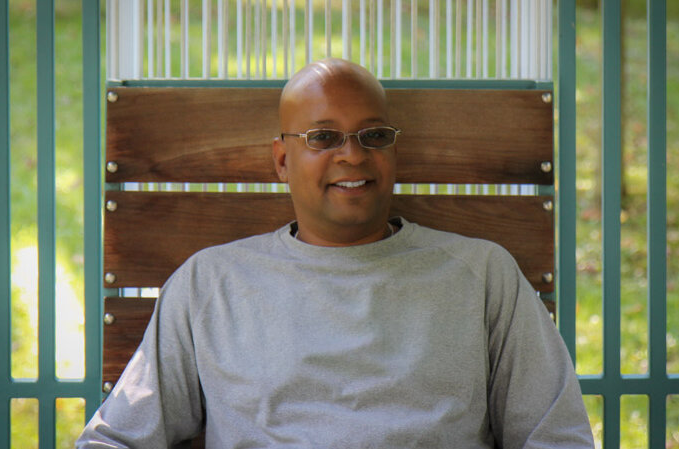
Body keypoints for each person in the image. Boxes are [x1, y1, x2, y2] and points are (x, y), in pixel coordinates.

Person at [77, 58, 594, 448]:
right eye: (323, 137)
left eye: (374, 135)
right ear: (282, 160)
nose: (352, 155)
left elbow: (557, 436)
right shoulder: (210, 284)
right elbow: (115, 438)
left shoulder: (481, 275)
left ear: (393, 151)